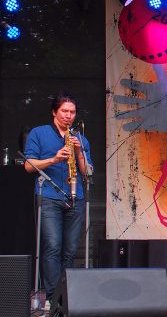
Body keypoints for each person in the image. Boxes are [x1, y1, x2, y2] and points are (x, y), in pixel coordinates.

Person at [24, 93, 93, 309]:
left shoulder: (80, 138)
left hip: (76, 196)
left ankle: (66, 297)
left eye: (72, 112)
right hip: (50, 196)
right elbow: (28, 165)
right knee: (52, 246)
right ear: (55, 112)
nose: (69, 116)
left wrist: (79, 152)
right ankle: (52, 298)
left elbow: (87, 172)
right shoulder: (39, 133)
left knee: (70, 250)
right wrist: (54, 159)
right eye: (64, 111)